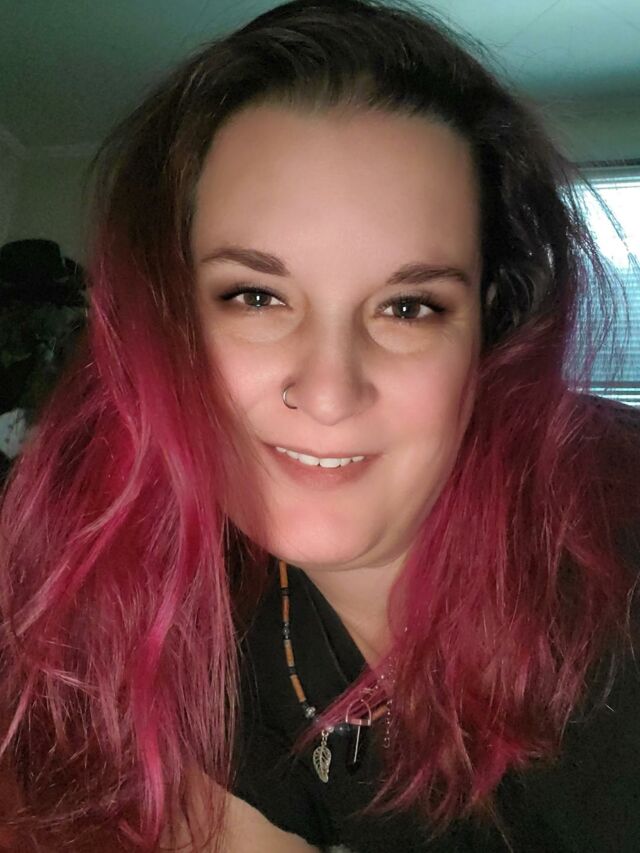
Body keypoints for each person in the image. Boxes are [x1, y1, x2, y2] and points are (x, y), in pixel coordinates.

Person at [1, 0, 639, 850]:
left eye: (408, 306)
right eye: (256, 297)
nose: (330, 391)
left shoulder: (612, 562)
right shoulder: (187, 613)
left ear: (487, 325)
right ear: (171, 318)